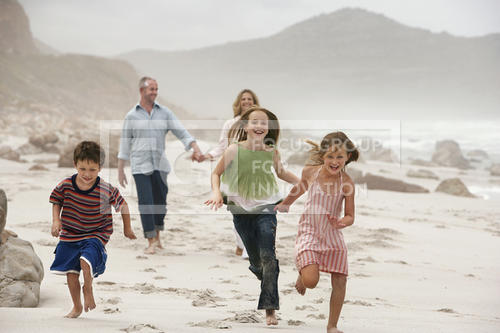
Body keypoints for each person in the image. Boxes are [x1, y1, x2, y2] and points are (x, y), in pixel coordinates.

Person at [205, 106, 300, 326]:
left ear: (268, 128)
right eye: (254, 122)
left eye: (263, 123)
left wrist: (301, 183)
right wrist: (217, 192)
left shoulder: (271, 151)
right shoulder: (233, 150)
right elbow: (216, 173)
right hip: (240, 210)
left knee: (269, 256)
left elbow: (282, 172)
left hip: (267, 207)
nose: (259, 126)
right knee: (259, 263)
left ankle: (270, 310)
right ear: (245, 127)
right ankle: (265, 274)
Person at [275, 131, 359, 333]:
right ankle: (303, 272)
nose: (335, 161)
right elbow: (299, 189)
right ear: (322, 156)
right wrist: (285, 205)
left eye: (340, 157)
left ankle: (332, 325)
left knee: (340, 278)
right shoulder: (311, 172)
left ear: (347, 157)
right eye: (330, 156)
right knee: (311, 282)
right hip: (310, 231)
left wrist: (341, 223)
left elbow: (350, 215)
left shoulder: (347, 183)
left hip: (332, 234)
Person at [50, 141, 136, 318]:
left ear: (100, 168)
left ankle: (87, 287)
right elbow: (56, 200)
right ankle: (77, 306)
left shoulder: (105, 189)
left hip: (96, 233)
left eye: (92, 170)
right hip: (70, 234)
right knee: (71, 274)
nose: (87, 174)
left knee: (85, 260)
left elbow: (123, 205)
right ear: (75, 165)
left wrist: (127, 228)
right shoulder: (66, 184)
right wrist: (55, 221)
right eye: (82, 169)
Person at [118, 76, 203, 254]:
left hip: (160, 165)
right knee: (146, 202)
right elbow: (125, 144)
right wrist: (120, 170)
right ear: (142, 91)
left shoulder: (165, 113)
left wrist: (194, 147)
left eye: (156, 89)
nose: (155, 92)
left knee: (160, 203)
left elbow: (181, 131)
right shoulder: (131, 116)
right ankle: (151, 240)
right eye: (152, 89)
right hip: (140, 166)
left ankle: (157, 236)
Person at [203, 89, 260, 258]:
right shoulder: (230, 124)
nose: (247, 101)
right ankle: (241, 244)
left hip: (254, 170)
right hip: (233, 170)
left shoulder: (260, 122)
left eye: (250, 99)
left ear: (254, 101)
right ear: (239, 102)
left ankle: (249, 247)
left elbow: (268, 145)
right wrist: (209, 155)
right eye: (243, 99)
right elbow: (222, 146)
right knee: (238, 210)